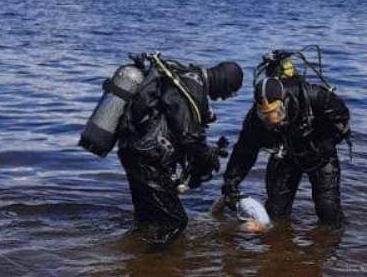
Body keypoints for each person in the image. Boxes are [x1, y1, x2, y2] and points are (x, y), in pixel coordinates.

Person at [116, 53, 243, 243]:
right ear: (224, 81)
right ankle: (157, 259)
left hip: (132, 150)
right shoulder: (193, 88)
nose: (226, 97)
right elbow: (187, 136)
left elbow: (179, 129)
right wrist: (207, 157)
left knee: (147, 219)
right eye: (230, 91)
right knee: (175, 222)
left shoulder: (185, 78)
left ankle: (134, 255)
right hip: (148, 161)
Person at [221, 51, 350, 227]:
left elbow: (342, 116)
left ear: (284, 101)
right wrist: (231, 183)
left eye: (276, 112)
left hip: (319, 152)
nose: (272, 119)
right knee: (276, 212)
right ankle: (280, 242)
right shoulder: (254, 120)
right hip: (286, 154)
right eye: (265, 114)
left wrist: (327, 143)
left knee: (328, 211)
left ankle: (334, 241)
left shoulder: (311, 96)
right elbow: (244, 151)